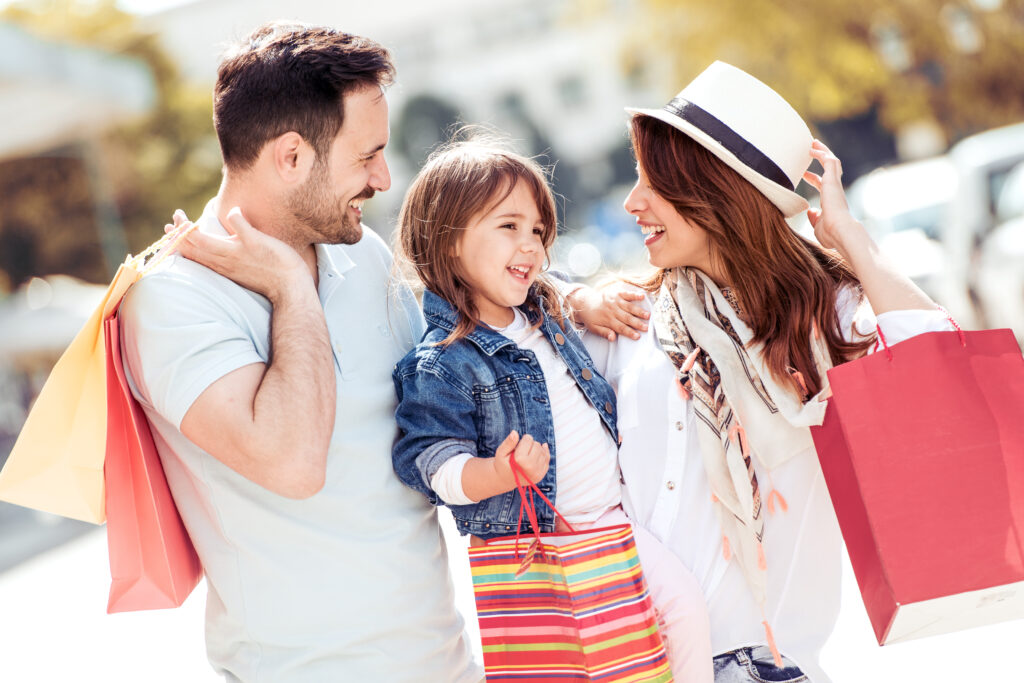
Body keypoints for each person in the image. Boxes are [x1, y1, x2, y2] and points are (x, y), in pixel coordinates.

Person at [568, 62, 954, 682]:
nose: (631, 202)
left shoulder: (828, 320)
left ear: (715, 191)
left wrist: (848, 236)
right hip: (642, 663)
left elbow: (938, 365)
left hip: (770, 664)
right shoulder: (635, 318)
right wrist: (570, 299)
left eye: (653, 183)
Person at [119, 22, 479, 682]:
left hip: (448, 664)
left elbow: (464, 369)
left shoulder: (362, 254)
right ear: (290, 158)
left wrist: (574, 306)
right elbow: (292, 461)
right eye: (366, 155)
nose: (384, 176)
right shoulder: (171, 301)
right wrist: (290, 288)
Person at [389, 136, 714, 681]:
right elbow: (429, 459)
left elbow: (565, 291)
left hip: (613, 524)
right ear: (448, 242)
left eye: (538, 231)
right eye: (508, 226)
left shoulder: (543, 306)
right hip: (535, 548)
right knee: (561, 665)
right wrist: (495, 473)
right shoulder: (442, 362)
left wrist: (592, 301)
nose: (532, 245)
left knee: (681, 612)